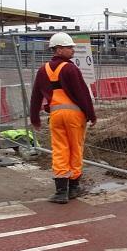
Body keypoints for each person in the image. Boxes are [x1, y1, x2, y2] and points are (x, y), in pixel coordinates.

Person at [30, 32, 97, 204]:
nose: (72, 50)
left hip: (56, 115)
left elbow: (36, 96)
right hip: (74, 115)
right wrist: (91, 115)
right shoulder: (71, 69)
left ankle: (61, 192)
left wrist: (35, 118)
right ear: (58, 50)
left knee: (60, 150)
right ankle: (74, 188)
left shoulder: (42, 70)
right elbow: (82, 94)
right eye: (69, 47)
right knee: (76, 149)